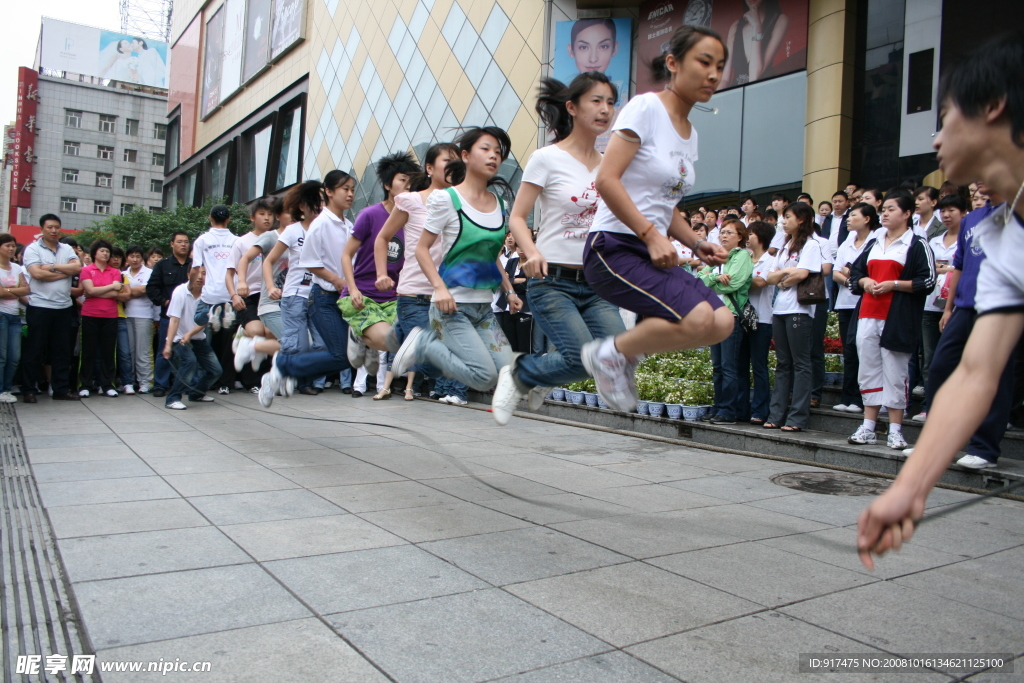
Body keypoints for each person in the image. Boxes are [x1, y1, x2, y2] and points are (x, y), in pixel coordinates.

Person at [858, 33, 1024, 570]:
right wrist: (909, 487)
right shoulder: (999, 231)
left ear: (993, 106)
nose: (934, 140)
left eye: (946, 116)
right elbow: (978, 370)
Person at [569, 26, 732, 411]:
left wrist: (695, 242)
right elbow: (605, 179)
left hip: (651, 250)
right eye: (704, 62)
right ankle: (608, 353)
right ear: (673, 64)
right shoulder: (645, 108)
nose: (713, 74)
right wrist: (649, 234)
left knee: (722, 323)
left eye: (720, 66)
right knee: (696, 319)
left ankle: (623, 355)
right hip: (614, 247)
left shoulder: (690, 133)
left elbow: (665, 203)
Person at [490, 72, 626, 423]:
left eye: (610, 102)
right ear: (572, 107)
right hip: (553, 280)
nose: (605, 109)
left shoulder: (611, 164)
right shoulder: (546, 158)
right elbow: (517, 218)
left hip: (598, 281)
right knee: (580, 357)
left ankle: (534, 377)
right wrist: (530, 251)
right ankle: (520, 374)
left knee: (618, 352)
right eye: (596, 100)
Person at [391, 127, 522, 392]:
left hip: (483, 308)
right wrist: (439, 288)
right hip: (451, 308)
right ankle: (422, 344)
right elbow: (421, 249)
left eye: (498, 152)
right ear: (465, 155)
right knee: (484, 377)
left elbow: (491, 257)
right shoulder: (446, 199)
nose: (493, 156)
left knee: (507, 371)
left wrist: (508, 291)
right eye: (485, 149)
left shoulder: (499, 204)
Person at [845, 194, 935, 451]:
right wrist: (865, 282)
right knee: (868, 369)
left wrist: (894, 285)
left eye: (890, 209)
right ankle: (868, 426)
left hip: (897, 318)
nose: (884, 214)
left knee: (895, 372)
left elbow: (926, 281)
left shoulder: (916, 244)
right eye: (882, 210)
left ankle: (895, 429)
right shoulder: (874, 242)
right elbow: (857, 273)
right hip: (867, 315)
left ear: (907, 214)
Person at [260, 170, 357, 407]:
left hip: (332, 296)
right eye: (345, 189)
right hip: (303, 294)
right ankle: (277, 367)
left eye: (353, 189)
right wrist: (271, 286)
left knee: (331, 350)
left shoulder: (347, 225)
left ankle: (287, 371)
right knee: (298, 345)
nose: (351, 194)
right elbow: (303, 263)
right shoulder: (307, 228)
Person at [375, 142, 461, 403]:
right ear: (429, 167)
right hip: (416, 293)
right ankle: (395, 343)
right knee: (432, 359)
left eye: (457, 161)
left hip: (447, 294)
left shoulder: (461, 203)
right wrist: (382, 273)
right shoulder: (411, 201)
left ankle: (393, 340)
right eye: (447, 160)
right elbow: (383, 238)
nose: (452, 166)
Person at [341, 151, 421, 382]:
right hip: (363, 294)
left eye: (411, 182)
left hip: (394, 296)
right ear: (388, 184)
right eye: (402, 181)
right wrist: (353, 289)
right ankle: (359, 336)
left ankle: (370, 341)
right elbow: (346, 255)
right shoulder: (369, 215)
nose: (408, 186)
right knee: (379, 344)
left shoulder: (413, 218)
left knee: (402, 340)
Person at [263, 181, 329, 396]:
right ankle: (282, 378)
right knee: (296, 345)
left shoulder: (326, 229)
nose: (320, 206)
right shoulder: (292, 231)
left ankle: (308, 381)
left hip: (319, 295)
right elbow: (268, 261)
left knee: (322, 343)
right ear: (302, 206)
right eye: (315, 202)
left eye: (322, 201)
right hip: (294, 296)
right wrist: (271, 286)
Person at [764, 202, 823, 431]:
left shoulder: (811, 245)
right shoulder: (784, 246)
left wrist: (785, 275)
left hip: (800, 309)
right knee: (783, 364)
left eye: (788, 216)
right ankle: (776, 414)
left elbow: (802, 273)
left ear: (801, 219)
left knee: (801, 364)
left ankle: (797, 417)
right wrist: (786, 273)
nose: (784, 221)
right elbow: (770, 277)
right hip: (779, 309)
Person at [697, 218, 753, 424]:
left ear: (740, 236)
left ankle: (729, 410)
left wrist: (711, 279)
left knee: (730, 367)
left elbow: (734, 283)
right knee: (718, 367)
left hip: (731, 316)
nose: (724, 235)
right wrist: (714, 278)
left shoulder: (742, 256)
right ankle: (719, 406)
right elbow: (699, 281)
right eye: (722, 232)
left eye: (730, 232)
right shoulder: (716, 255)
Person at [21, 215, 82, 402]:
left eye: (57, 227)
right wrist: (63, 273)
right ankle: (29, 390)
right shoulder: (32, 249)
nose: (54, 231)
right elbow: (37, 274)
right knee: (35, 350)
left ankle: (61, 390)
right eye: (49, 227)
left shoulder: (66, 248)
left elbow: (78, 268)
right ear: (42, 229)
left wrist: (52, 267)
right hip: (39, 306)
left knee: (62, 351)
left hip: (63, 307)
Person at [916, 192, 964, 415]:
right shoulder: (934, 240)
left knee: (952, 358)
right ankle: (930, 405)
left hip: (955, 307)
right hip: (929, 304)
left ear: (964, 213)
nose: (946, 215)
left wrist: (944, 269)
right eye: (943, 211)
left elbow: (963, 269)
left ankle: (952, 406)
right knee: (929, 359)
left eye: (951, 211)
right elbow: (928, 269)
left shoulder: (967, 239)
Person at [234, 198, 290, 379]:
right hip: (264, 296)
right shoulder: (270, 237)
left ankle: (265, 357)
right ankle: (249, 343)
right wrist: (241, 282)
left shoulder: (299, 237)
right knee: (288, 342)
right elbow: (244, 259)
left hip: (289, 298)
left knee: (275, 337)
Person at [831, 202, 877, 413]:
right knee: (849, 350)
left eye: (853, 215)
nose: (848, 219)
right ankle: (848, 396)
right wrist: (853, 279)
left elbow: (868, 272)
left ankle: (861, 398)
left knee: (864, 350)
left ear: (867, 218)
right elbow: (836, 273)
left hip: (867, 302)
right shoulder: (846, 244)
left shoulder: (876, 241)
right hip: (845, 302)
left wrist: (851, 274)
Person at [226, 198, 275, 391]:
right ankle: (243, 333)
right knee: (256, 332)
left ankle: (263, 380)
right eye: (262, 214)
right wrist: (235, 295)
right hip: (249, 295)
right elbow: (229, 274)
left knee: (271, 334)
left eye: (270, 214)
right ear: (252, 217)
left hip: (271, 295)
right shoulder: (242, 242)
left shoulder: (278, 239)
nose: (267, 218)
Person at [191, 205, 239, 394]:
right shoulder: (237, 241)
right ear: (228, 220)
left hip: (209, 296)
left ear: (210, 218)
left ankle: (202, 386)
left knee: (203, 342)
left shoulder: (202, 240)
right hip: (231, 294)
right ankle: (225, 383)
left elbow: (196, 268)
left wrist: (191, 287)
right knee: (228, 345)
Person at [162, 267, 221, 410]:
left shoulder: (209, 295)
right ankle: (172, 398)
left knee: (216, 370)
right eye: (197, 272)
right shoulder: (180, 292)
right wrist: (168, 345)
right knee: (190, 362)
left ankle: (197, 394)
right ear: (189, 274)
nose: (200, 277)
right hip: (178, 337)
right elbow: (174, 320)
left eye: (205, 273)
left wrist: (190, 334)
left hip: (197, 336)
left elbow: (205, 321)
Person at [78, 240, 127, 398]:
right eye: (102, 251)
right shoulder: (87, 270)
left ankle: (107, 384)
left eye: (107, 251)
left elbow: (115, 294)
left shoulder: (115, 272)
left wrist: (97, 291)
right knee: (88, 351)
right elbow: (89, 290)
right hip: (90, 314)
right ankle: (85, 384)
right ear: (94, 253)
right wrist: (109, 287)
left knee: (108, 352)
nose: (105, 254)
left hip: (110, 315)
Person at [738, 220, 776, 423]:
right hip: (741, 317)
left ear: (760, 237)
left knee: (759, 365)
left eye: (750, 234)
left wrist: (737, 277)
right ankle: (742, 408)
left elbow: (761, 283)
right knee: (740, 365)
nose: (747, 238)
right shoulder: (744, 258)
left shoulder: (770, 260)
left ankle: (761, 409)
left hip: (762, 319)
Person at [146, 231, 192, 397]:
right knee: (165, 350)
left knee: (187, 352)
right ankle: (160, 384)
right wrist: (165, 301)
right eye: (179, 241)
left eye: (186, 242)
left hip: (190, 319)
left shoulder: (195, 265)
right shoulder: (163, 265)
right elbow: (151, 288)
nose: (183, 245)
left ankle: (184, 384)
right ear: (172, 244)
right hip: (169, 316)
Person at [722, 0, 790, 87]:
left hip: (762, 89)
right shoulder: (736, 26)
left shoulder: (780, 20)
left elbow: (756, 75)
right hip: (737, 94)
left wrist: (756, 28)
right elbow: (724, 80)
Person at [0, 234, 28, 403]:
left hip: (15, 315)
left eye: (13, 246)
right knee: (2, 355)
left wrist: (8, 290)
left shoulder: (17, 268)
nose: (11, 249)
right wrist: (16, 289)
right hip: (1, 314)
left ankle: (6, 388)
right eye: (7, 246)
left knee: (15, 356)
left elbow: (27, 289)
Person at [123, 245, 154, 393]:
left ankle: (145, 382)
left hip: (144, 315)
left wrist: (126, 291)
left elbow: (144, 290)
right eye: (131, 256)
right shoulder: (123, 273)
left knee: (143, 351)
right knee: (129, 351)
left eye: (138, 256)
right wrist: (130, 292)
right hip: (126, 314)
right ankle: (129, 381)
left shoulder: (149, 273)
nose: (135, 259)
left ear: (142, 258)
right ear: (127, 258)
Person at [108, 247, 135, 394]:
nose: (116, 260)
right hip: (104, 316)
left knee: (124, 352)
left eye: (119, 257)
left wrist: (107, 293)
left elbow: (127, 295)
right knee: (106, 352)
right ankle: (106, 383)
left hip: (120, 316)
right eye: (113, 257)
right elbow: (90, 292)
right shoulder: (101, 274)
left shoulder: (122, 275)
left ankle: (127, 382)